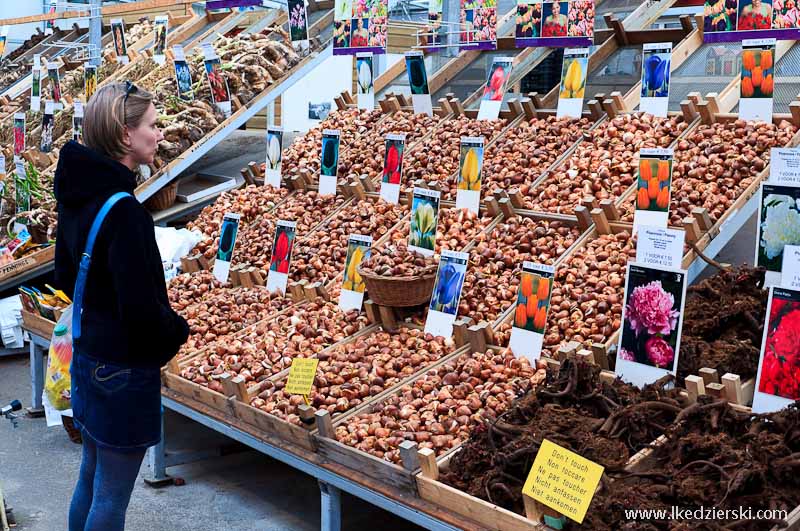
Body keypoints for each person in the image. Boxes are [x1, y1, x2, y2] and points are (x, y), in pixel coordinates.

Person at [54, 82, 189, 531]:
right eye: (152, 124)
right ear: (125, 135)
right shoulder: (125, 211)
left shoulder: (77, 194)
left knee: (90, 477)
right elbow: (142, 312)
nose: (160, 133)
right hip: (122, 369)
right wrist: (178, 330)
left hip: (89, 354)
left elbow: (63, 275)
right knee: (112, 498)